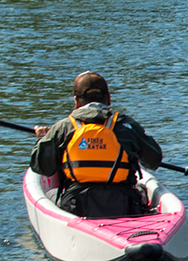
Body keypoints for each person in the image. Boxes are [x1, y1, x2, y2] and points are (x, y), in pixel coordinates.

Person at [31, 71, 163, 219]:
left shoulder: (64, 127)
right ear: (108, 99)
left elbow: (42, 167)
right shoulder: (126, 126)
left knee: (49, 193)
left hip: (76, 206)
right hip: (124, 204)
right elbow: (154, 160)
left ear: (76, 101)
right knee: (141, 188)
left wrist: (42, 139)